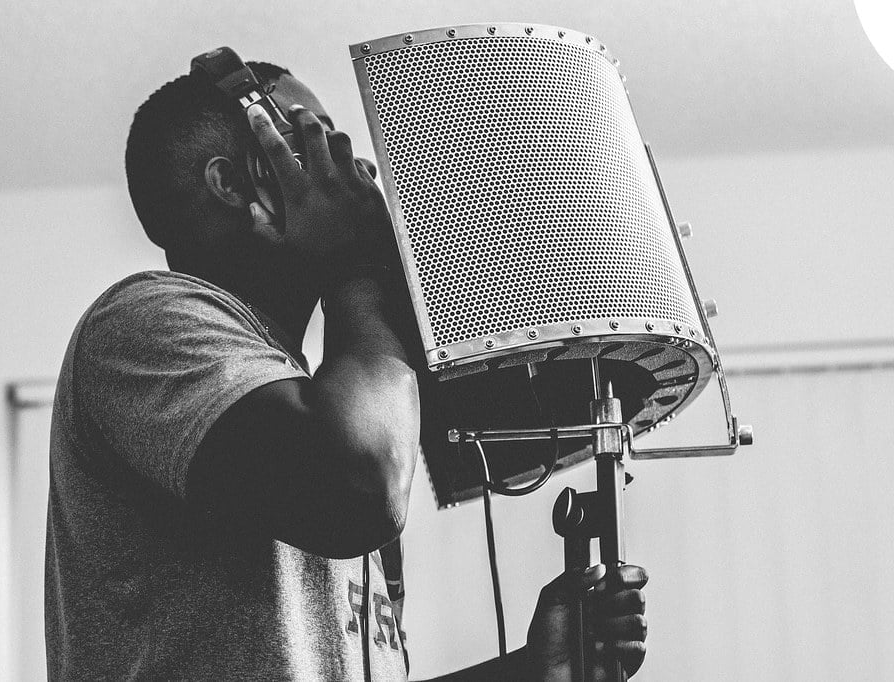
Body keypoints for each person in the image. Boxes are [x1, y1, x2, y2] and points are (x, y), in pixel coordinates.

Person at [45, 59, 649, 681]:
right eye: (316, 143)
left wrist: (533, 671)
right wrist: (354, 268)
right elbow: (362, 488)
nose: (356, 173)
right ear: (237, 181)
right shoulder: (144, 322)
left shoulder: (326, 397)